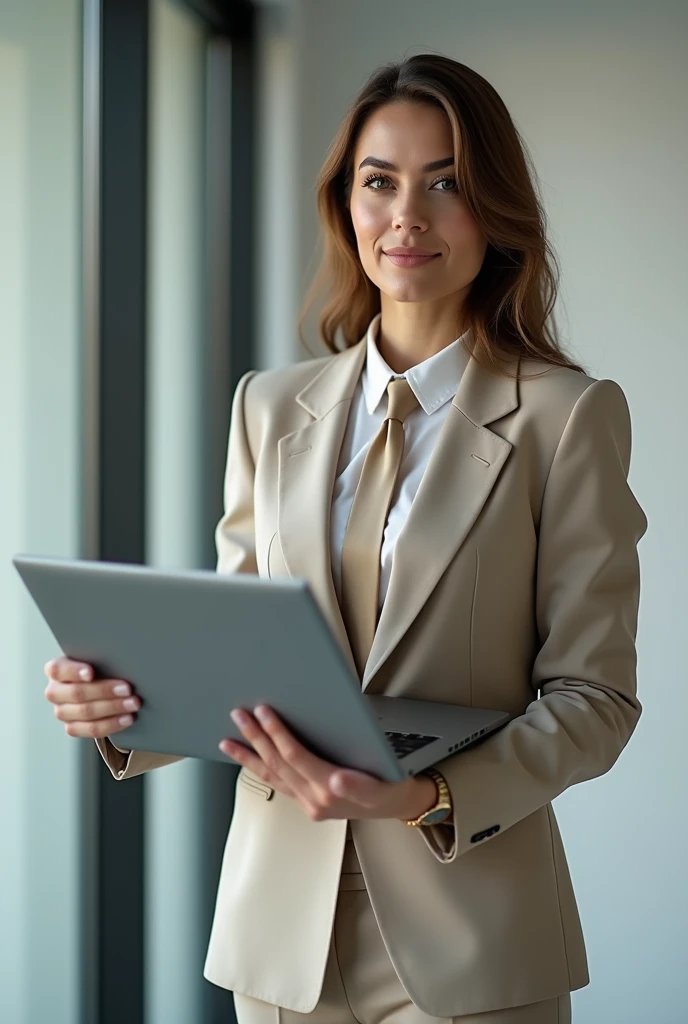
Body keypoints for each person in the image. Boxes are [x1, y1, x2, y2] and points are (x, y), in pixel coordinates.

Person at [43, 54, 648, 1023]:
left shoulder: (565, 420)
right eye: (380, 181)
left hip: (472, 941)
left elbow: (596, 698)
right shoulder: (267, 407)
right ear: (345, 203)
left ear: (491, 210)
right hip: (280, 941)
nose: (406, 215)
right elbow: (239, 656)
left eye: (445, 181)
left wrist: (421, 795)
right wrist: (122, 702)